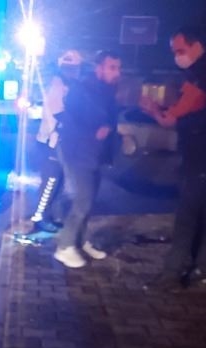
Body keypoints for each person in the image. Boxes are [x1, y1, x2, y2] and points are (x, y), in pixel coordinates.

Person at [140, 27, 206, 291]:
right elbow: (181, 114)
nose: (177, 56)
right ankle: (205, 269)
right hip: (201, 152)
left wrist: (167, 116)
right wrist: (160, 112)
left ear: (197, 46)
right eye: (174, 51)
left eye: (180, 50)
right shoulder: (202, 72)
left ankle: (171, 275)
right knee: (200, 212)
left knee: (186, 215)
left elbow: (203, 116)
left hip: (203, 153)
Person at [53, 50, 122, 268]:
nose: (117, 73)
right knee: (83, 200)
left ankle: (80, 241)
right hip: (79, 153)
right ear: (99, 68)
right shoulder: (82, 90)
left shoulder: (107, 91)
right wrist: (95, 131)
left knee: (89, 202)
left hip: (95, 154)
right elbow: (71, 120)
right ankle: (64, 247)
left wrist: (107, 130)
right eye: (112, 68)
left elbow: (109, 122)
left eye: (118, 68)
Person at [28, 49, 84, 235]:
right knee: (50, 181)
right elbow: (58, 113)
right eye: (69, 68)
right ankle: (39, 218)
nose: (73, 72)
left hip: (58, 141)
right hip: (50, 142)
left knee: (57, 181)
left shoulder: (70, 85)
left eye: (75, 68)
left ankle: (48, 215)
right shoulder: (57, 84)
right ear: (62, 68)